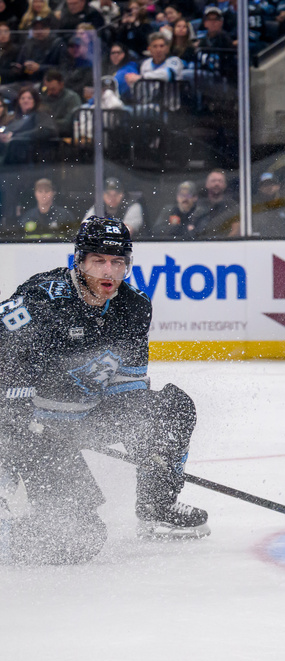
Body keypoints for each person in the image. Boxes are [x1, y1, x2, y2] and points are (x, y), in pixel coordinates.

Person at [0, 216, 210, 565]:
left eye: (118, 262)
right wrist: (15, 420)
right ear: (79, 262)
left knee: (171, 408)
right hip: (31, 431)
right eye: (98, 261)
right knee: (79, 538)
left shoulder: (134, 307)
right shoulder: (43, 300)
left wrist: (148, 447)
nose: (109, 272)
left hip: (83, 419)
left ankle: (156, 503)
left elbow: (129, 390)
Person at [0, 86, 52, 165]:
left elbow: (46, 130)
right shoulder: (13, 118)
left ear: (35, 100)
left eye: (29, 98)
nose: (25, 101)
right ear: (19, 101)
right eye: (22, 98)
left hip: (28, 155)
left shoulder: (40, 114)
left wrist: (15, 136)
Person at [193, 168, 239, 237]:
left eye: (220, 181)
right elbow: (190, 227)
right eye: (213, 181)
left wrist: (222, 244)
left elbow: (237, 229)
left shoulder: (232, 205)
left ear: (225, 185)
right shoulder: (198, 204)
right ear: (207, 184)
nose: (217, 183)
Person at [38, 69, 81, 137]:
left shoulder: (72, 98)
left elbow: (69, 123)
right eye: (47, 89)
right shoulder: (43, 97)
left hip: (64, 136)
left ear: (61, 84)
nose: (49, 93)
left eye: (53, 89)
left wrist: (47, 124)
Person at [251, 172, 285, 237]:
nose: (269, 187)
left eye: (272, 184)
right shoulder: (254, 206)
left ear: (278, 186)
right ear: (260, 188)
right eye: (265, 185)